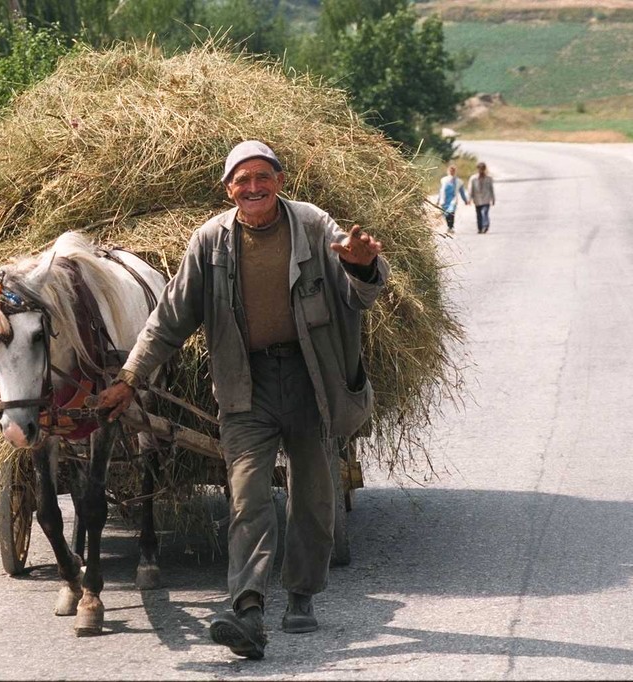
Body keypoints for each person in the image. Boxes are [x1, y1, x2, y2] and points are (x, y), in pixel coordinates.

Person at [97, 140, 389, 660]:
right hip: (244, 385)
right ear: (228, 189)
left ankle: (301, 594)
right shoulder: (210, 241)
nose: (253, 188)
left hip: (310, 380)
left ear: (280, 179)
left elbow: (359, 295)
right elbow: (169, 320)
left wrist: (363, 268)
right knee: (247, 495)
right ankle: (248, 608)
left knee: (313, 492)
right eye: (242, 180)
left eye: (262, 177)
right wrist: (130, 377)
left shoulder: (314, 226)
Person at [437, 164, 468, 233]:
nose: (451, 172)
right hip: (444, 200)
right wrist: (438, 200)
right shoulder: (443, 180)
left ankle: (451, 227)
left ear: (455, 172)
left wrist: (465, 200)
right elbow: (441, 191)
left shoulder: (459, 181)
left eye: (453, 171)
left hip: (453, 200)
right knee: (446, 214)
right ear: (448, 171)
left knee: (451, 213)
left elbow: (462, 192)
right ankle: (449, 226)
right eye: (450, 171)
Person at [467, 162, 496, 234]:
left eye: (482, 169)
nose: (481, 170)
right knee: (478, 214)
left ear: (484, 169)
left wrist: (493, 199)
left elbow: (491, 189)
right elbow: (471, 189)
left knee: (484, 212)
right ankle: (480, 228)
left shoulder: (488, 178)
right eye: (480, 169)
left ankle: (485, 226)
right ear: (478, 169)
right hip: (477, 199)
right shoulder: (473, 178)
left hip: (486, 199)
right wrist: (469, 199)